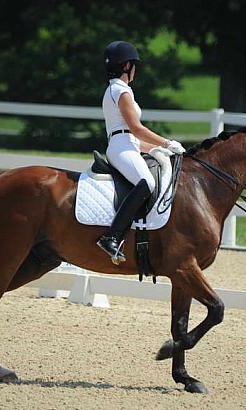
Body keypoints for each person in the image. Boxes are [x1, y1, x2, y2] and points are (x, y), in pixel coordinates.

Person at [97, 40, 185, 263]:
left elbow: (131, 136)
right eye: (134, 65)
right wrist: (166, 143)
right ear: (127, 65)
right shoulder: (121, 90)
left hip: (127, 145)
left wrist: (155, 149)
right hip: (121, 147)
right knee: (147, 182)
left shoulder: (117, 90)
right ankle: (112, 237)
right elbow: (136, 128)